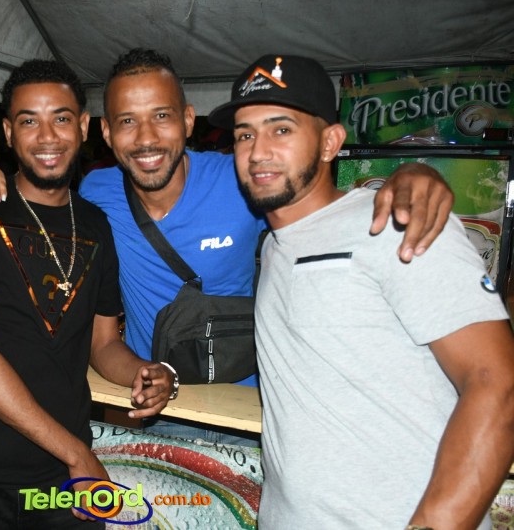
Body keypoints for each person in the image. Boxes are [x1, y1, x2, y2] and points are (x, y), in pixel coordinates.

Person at [0, 48, 454, 446]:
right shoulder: (97, 193)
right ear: (105, 133)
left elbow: (318, 200)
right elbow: (38, 200)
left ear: (188, 120)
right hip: (157, 409)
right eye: (127, 121)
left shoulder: (241, 179)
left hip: (249, 407)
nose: (146, 138)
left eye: (161, 116)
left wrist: (413, 175)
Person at [207, 53, 514, 529]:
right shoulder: (273, 245)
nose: (258, 151)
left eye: (281, 129)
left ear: (330, 142)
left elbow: (498, 383)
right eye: (245, 134)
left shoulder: (400, 222)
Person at [0, 59, 174, 529]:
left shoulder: (95, 224)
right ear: (8, 132)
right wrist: (76, 454)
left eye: (61, 118)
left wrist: (144, 371)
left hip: (58, 474)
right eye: (29, 121)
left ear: (84, 127)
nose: (47, 136)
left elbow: (103, 344)